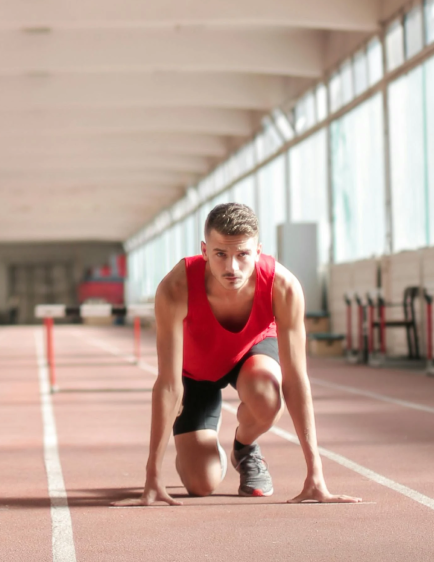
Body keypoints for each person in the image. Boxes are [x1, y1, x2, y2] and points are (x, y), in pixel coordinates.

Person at [115, 203, 360, 506]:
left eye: (242, 255)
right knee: (201, 484)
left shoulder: (283, 287)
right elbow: (168, 384)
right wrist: (152, 474)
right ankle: (204, 449)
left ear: (258, 251)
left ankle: (244, 447)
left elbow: (296, 381)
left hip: (251, 354)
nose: (232, 268)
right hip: (196, 373)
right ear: (204, 251)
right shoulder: (175, 288)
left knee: (268, 396)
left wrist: (316, 474)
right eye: (221, 254)